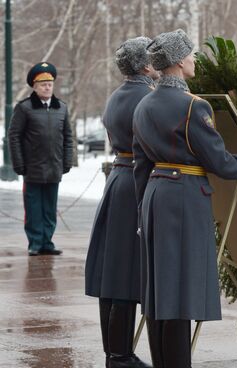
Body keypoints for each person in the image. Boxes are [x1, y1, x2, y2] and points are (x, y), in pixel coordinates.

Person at [132, 29, 237, 367]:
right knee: (178, 292)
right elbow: (218, 160)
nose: (194, 59)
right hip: (184, 200)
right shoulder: (193, 106)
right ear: (178, 62)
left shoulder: (144, 103)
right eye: (190, 54)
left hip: (155, 196)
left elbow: (140, 165)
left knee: (159, 291)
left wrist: (141, 211)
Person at [84, 37, 159, 368]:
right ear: (144, 66)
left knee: (112, 272)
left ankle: (114, 353)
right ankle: (120, 355)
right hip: (135, 181)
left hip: (119, 178)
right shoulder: (147, 97)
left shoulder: (118, 95)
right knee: (126, 273)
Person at [8, 62, 72, 257]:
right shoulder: (24, 108)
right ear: (34, 87)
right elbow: (14, 136)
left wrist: (67, 161)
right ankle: (35, 243)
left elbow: (68, 137)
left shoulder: (61, 108)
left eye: (50, 84)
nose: (47, 87)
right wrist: (19, 164)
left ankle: (47, 242)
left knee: (50, 209)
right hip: (32, 168)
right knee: (34, 208)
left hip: (54, 167)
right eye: (43, 84)